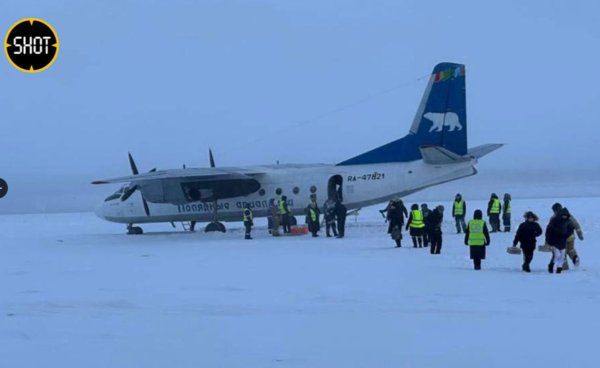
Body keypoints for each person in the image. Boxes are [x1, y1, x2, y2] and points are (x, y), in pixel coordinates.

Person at [546, 208, 575, 274]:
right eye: (563, 215)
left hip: (563, 241)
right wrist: (548, 240)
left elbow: (571, 229)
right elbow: (549, 230)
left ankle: (559, 269)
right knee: (557, 255)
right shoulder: (554, 220)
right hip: (554, 241)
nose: (564, 216)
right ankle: (551, 265)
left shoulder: (568, 221)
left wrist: (566, 235)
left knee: (562, 256)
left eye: (565, 215)